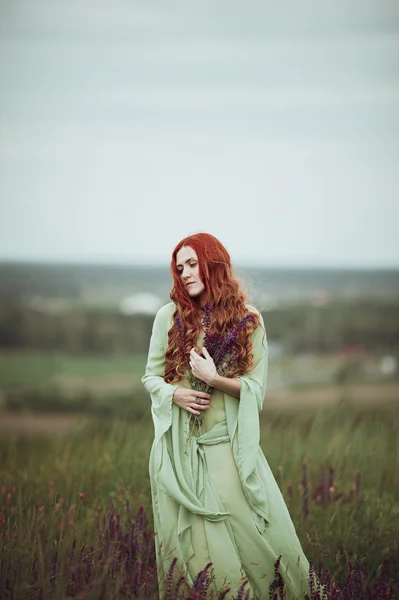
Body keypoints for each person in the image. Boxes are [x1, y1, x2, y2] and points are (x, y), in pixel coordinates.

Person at [141, 233, 311, 599]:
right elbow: (150, 377)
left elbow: (255, 390)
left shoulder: (249, 320)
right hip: (180, 453)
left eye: (192, 263)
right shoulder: (167, 317)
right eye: (179, 266)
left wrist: (214, 379)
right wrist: (176, 393)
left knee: (256, 536)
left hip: (227, 449)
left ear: (213, 263)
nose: (184, 273)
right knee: (192, 551)